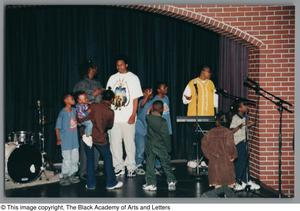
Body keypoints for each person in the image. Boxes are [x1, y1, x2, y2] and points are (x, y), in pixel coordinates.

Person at [106, 57, 143, 177]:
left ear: (126, 65)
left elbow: (135, 98)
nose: (119, 67)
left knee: (129, 143)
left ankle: (131, 167)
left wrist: (133, 114)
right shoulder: (112, 78)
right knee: (114, 143)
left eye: (121, 65)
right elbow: (108, 96)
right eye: (117, 65)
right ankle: (118, 167)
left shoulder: (133, 78)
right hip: (114, 117)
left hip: (128, 117)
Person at [85, 89, 123, 190]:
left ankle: (90, 185)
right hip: (100, 137)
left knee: (90, 160)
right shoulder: (110, 112)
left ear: (102, 98)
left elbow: (84, 115)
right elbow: (110, 126)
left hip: (87, 136)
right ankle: (111, 183)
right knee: (108, 158)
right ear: (111, 99)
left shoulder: (93, 106)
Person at [182, 65, 219, 168]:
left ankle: (204, 160)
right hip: (194, 116)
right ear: (203, 72)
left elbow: (215, 100)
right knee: (192, 139)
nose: (210, 74)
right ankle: (191, 159)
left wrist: (216, 114)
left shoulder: (211, 84)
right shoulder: (192, 83)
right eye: (209, 72)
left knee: (206, 140)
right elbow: (184, 100)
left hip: (208, 117)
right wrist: (188, 98)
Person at [73, 62, 102, 180]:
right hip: (85, 118)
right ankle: (83, 171)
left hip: (97, 118)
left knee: (96, 144)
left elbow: (100, 99)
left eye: (96, 68)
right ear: (89, 69)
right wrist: (93, 94)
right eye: (93, 68)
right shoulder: (80, 84)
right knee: (86, 145)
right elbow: (76, 100)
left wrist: (101, 94)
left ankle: (93, 169)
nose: (95, 70)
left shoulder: (98, 83)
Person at [143, 100, 177, 192]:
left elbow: (147, 113)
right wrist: (169, 148)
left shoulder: (148, 117)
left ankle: (151, 184)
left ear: (152, 108)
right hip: (160, 145)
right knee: (166, 164)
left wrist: (150, 109)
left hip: (150, 145)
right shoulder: (163, 122)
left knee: (150, 165)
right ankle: (171, 181)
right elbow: (165, 136)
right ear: (161, 109)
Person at [201, 112, 237, 190]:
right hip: (225, 164)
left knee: (217, 189)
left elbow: (204, 145)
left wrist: (209, 156)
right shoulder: (228, 133)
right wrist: (233, 155)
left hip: (214, 164)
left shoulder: (209, 133)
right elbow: (230, 146)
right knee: (227, 188)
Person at [230, 100, 260, 191]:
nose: (246, 107)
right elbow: (231, 130)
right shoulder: (235, 118)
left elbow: (244, 127)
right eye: (244, 105)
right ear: (239, 108)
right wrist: (240, 126)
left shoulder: (244, 117)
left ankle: (245, 181)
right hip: (239, 142)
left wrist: (248, 125)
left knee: (245, 161)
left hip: (244, 141)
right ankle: (238, 181)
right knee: (241, 162)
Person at [55, 94, 80, 186]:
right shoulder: (62, 113)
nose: (73, 99)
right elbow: (57, 128)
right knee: (67, 159)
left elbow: (80, 118)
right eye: (71, 98)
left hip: (74, 141)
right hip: (65, 141)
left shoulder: (74, 110)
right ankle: (64, 176)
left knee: (75, 159)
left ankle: (72, 174)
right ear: (66, 100)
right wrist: (58, 139)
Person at [152, 82, 172, 173]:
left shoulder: (167, 98)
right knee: (158, 146)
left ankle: (165, 165)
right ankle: (157, 166)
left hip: (167, 126)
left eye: (166, 87)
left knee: (165, 147)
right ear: (159, 90)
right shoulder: (155, 100)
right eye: (164, 88)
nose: (166, 89)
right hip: (159, 128)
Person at [135, 87, 153, 175]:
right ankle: (138, 165)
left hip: (148, 129)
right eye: (147, 91)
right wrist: (146, 96)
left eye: (150, 92)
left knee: (149, 149)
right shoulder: (141, 101)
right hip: (140, 128)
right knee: (140, 148)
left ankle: (149, 165)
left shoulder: (152, 102)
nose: (149, 93)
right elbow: (142, 105)